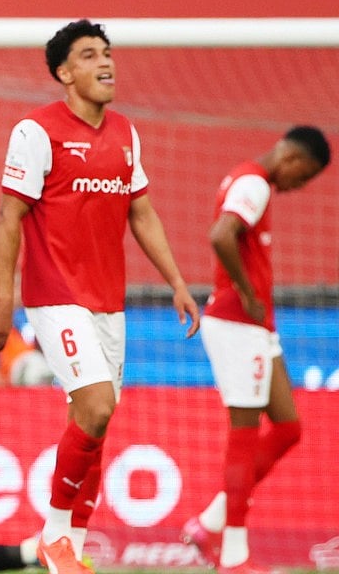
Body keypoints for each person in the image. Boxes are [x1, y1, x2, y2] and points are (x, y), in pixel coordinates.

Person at [0, 19, 201, 574]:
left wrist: (176, 280)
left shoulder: (126, 133)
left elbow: (142, 211)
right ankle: (56, 535)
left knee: (96, 421)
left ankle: (72, 550)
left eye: (107, 53)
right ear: (64, 72)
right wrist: (3, 298)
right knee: (97, 405)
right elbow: (11, 217)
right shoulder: (36, 131)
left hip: (109, 302)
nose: (105, 63)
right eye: (89, 55)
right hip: (55, 296)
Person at [180, 126, 331, 574]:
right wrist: (246, 292)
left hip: (256, 328)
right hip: (237, 324)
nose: (299, 187)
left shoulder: (246, 180)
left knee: (288, 427)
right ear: (295, 161)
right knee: (243, 439)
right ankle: (234, 555)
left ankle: (209, 525)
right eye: (305, 178)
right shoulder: (254, 184)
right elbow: (221, 235)